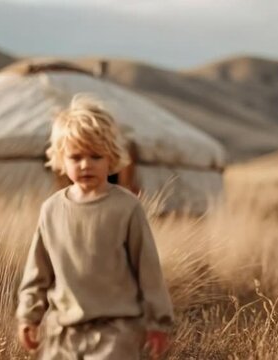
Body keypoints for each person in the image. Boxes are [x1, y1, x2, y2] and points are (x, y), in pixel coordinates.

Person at [16, 94, 174, 359]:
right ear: (60, 159)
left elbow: (148, 269)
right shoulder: (52, 210)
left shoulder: (126, 208)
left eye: (95, 156)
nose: (85, 164)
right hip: (62, 330)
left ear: (111, 158)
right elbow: (38, 270)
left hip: (116, 329)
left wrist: (158, 321)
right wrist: (28, 315)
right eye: (76, 157)